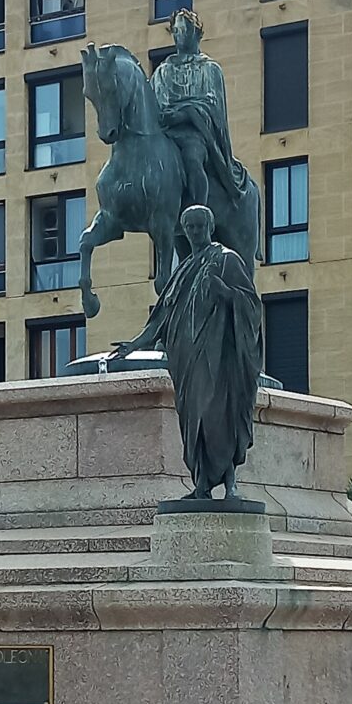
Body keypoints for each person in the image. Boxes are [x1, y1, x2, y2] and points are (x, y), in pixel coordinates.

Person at [112, 206, 262, 500]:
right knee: (194, 423)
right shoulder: (181, 271)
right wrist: (132, 345)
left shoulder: (226, 259)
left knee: (217, 417)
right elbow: (159, 320)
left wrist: (227, 294)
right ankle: (203, 485)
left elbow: (251, 305)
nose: (194, 232)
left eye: (199, 226)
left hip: (217, 358)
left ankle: (231, 485)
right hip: (186, 363)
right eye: (189, 227)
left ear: (209, 226)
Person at [150, 9, 250, 208]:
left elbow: (212, 106)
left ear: (197, 33)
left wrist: (185, 114)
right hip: (165, 133)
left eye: (185, 30)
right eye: (176, 31)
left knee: (192, 158)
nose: (180, 36)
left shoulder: (209, 68)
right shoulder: (163, 71)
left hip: (194, 134)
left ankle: (198, 209)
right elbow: (152, 102)